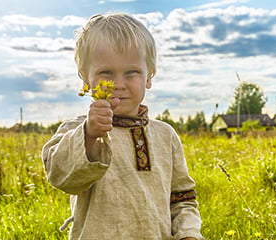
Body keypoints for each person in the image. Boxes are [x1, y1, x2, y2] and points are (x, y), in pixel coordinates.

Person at [42, 12, 204, 240]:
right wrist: (89, 135)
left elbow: (182, 199)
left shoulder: (165, 135)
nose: (118, 84)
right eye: (106, 73)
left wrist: (188, 234)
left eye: (131, 73)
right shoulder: (77, 130)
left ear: (149, 76)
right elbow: (61, 178)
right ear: (85, 78)